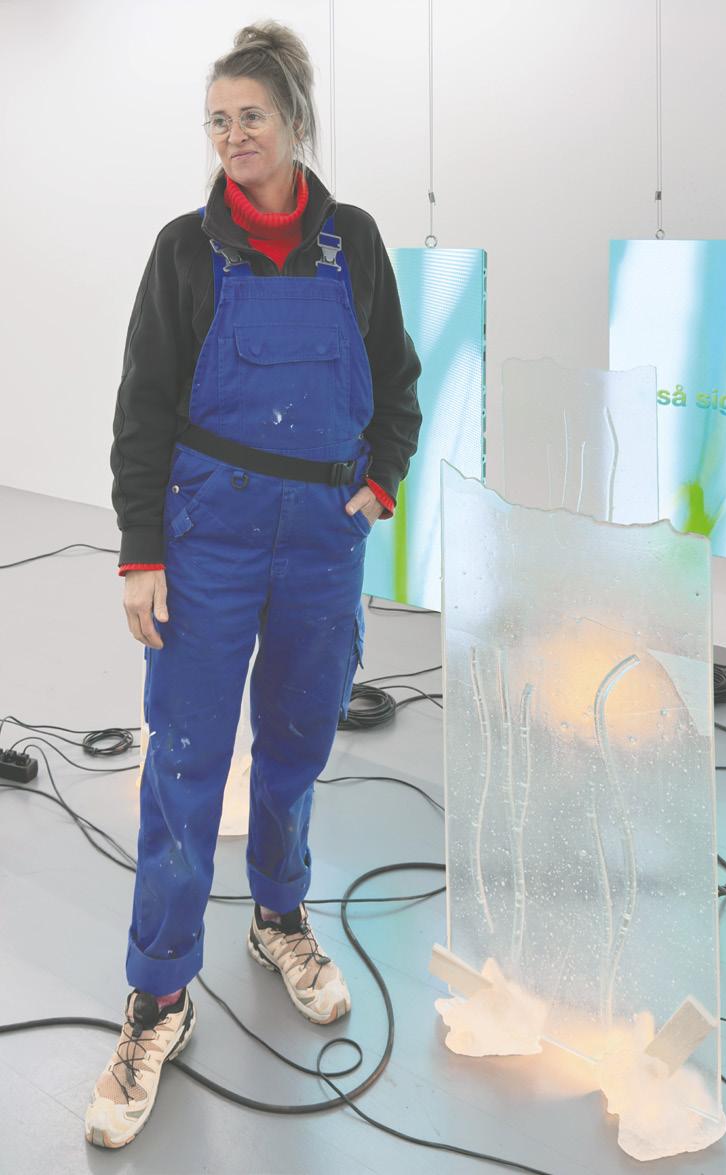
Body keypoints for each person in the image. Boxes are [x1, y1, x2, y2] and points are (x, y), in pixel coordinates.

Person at [85, 19, 421, 1149]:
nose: (233, 136)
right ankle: (158, 997)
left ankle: (280, 916)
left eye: (252, 116)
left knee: (295, 744)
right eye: (218, 120)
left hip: (321, 541)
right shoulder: (186, 251)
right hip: (210, 539)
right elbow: (142, 406)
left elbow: (398, 384)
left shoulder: (353, 241)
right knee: (187, 761)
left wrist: (378, 484)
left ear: (295, 122)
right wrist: (141, 550)